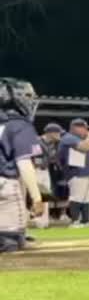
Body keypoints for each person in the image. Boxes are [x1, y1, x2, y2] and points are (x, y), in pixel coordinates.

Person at [0, 79, 45, 253]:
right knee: (9, 241)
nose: (31, 99)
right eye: (26, 96)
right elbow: (24, 163)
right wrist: (37, 197)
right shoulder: (19, 125)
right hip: (4, 183)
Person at [59, 119, 89, 226]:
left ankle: (86, 221)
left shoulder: (83, 139)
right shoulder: (68, 137)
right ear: (75, 128)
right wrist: (88, 138)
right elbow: (83, 147)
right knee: (77, 197)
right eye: (84, 128)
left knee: (86, 199)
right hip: (77, 172)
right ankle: (75, 221)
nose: (86, 131)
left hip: (88, 172)